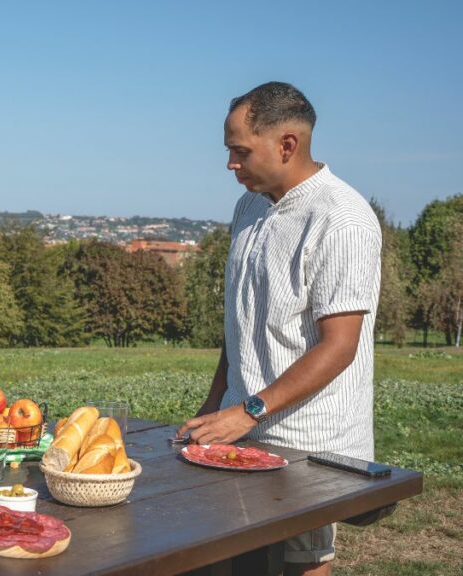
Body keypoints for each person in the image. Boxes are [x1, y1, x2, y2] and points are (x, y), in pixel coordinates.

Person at [177, 82, 381, 576]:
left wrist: (247, 412)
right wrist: (217, 401)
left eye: (239, 150)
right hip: (243, 427)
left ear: (287, 145)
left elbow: (339, 347)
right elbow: (241, 321)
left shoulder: (342, 219)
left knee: (299, 563)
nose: (230, 164)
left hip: (310, 441)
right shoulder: (249, 207)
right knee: (233, 558)